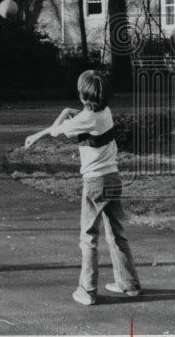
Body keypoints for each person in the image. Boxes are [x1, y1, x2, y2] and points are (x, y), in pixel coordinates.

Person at [24, 69, 142, 306]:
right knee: (117, 233)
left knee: (88, 237)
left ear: (82, 96)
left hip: (95, 183)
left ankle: (87, 291)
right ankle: (128, 284)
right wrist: (71, 113)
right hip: (113, 178)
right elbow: (84, 117)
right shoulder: (104, 112)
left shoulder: (83, 119)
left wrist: (61, 115)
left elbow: (57, 131)